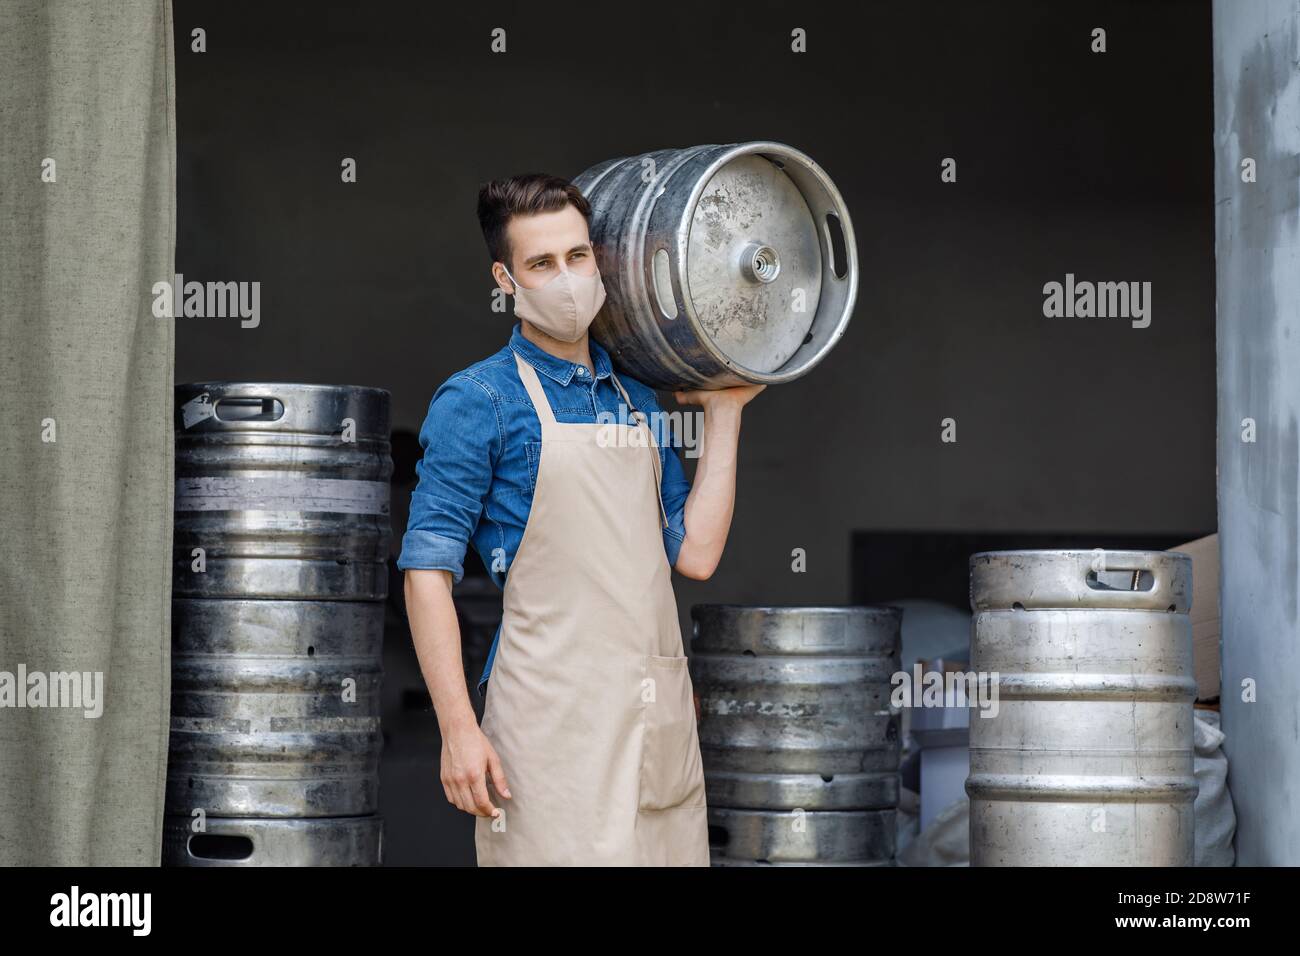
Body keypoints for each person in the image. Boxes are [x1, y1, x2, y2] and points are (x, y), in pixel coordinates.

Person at [399, 172, 763, 865]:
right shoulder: (479, 401)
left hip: (652, 727)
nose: (565, 279)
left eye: (576, 257)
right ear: (505, 279)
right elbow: (426, 574)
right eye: (541, 264)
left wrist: (724, 414)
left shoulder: (639, 398)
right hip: (547, 736)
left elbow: (694, 554)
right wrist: (457, 727)